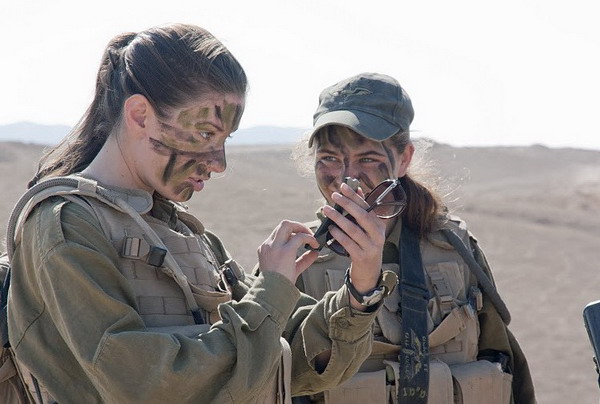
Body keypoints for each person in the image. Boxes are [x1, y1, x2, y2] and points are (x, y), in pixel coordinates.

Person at [5, 25, 392, 403]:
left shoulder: (186, 234)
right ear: (140, 115)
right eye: (206, 134)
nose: (219, 163)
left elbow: (297, 363)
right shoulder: (65, 224)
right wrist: (271, 289)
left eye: (224, 140)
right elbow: (144, 386)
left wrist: (360, 288)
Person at [294, 73, 536, 403]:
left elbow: (502, 360)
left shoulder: (453, 247)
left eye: (368, 159)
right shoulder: (297, 259)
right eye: (329, 159)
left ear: (404, 159)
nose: (347, 178)